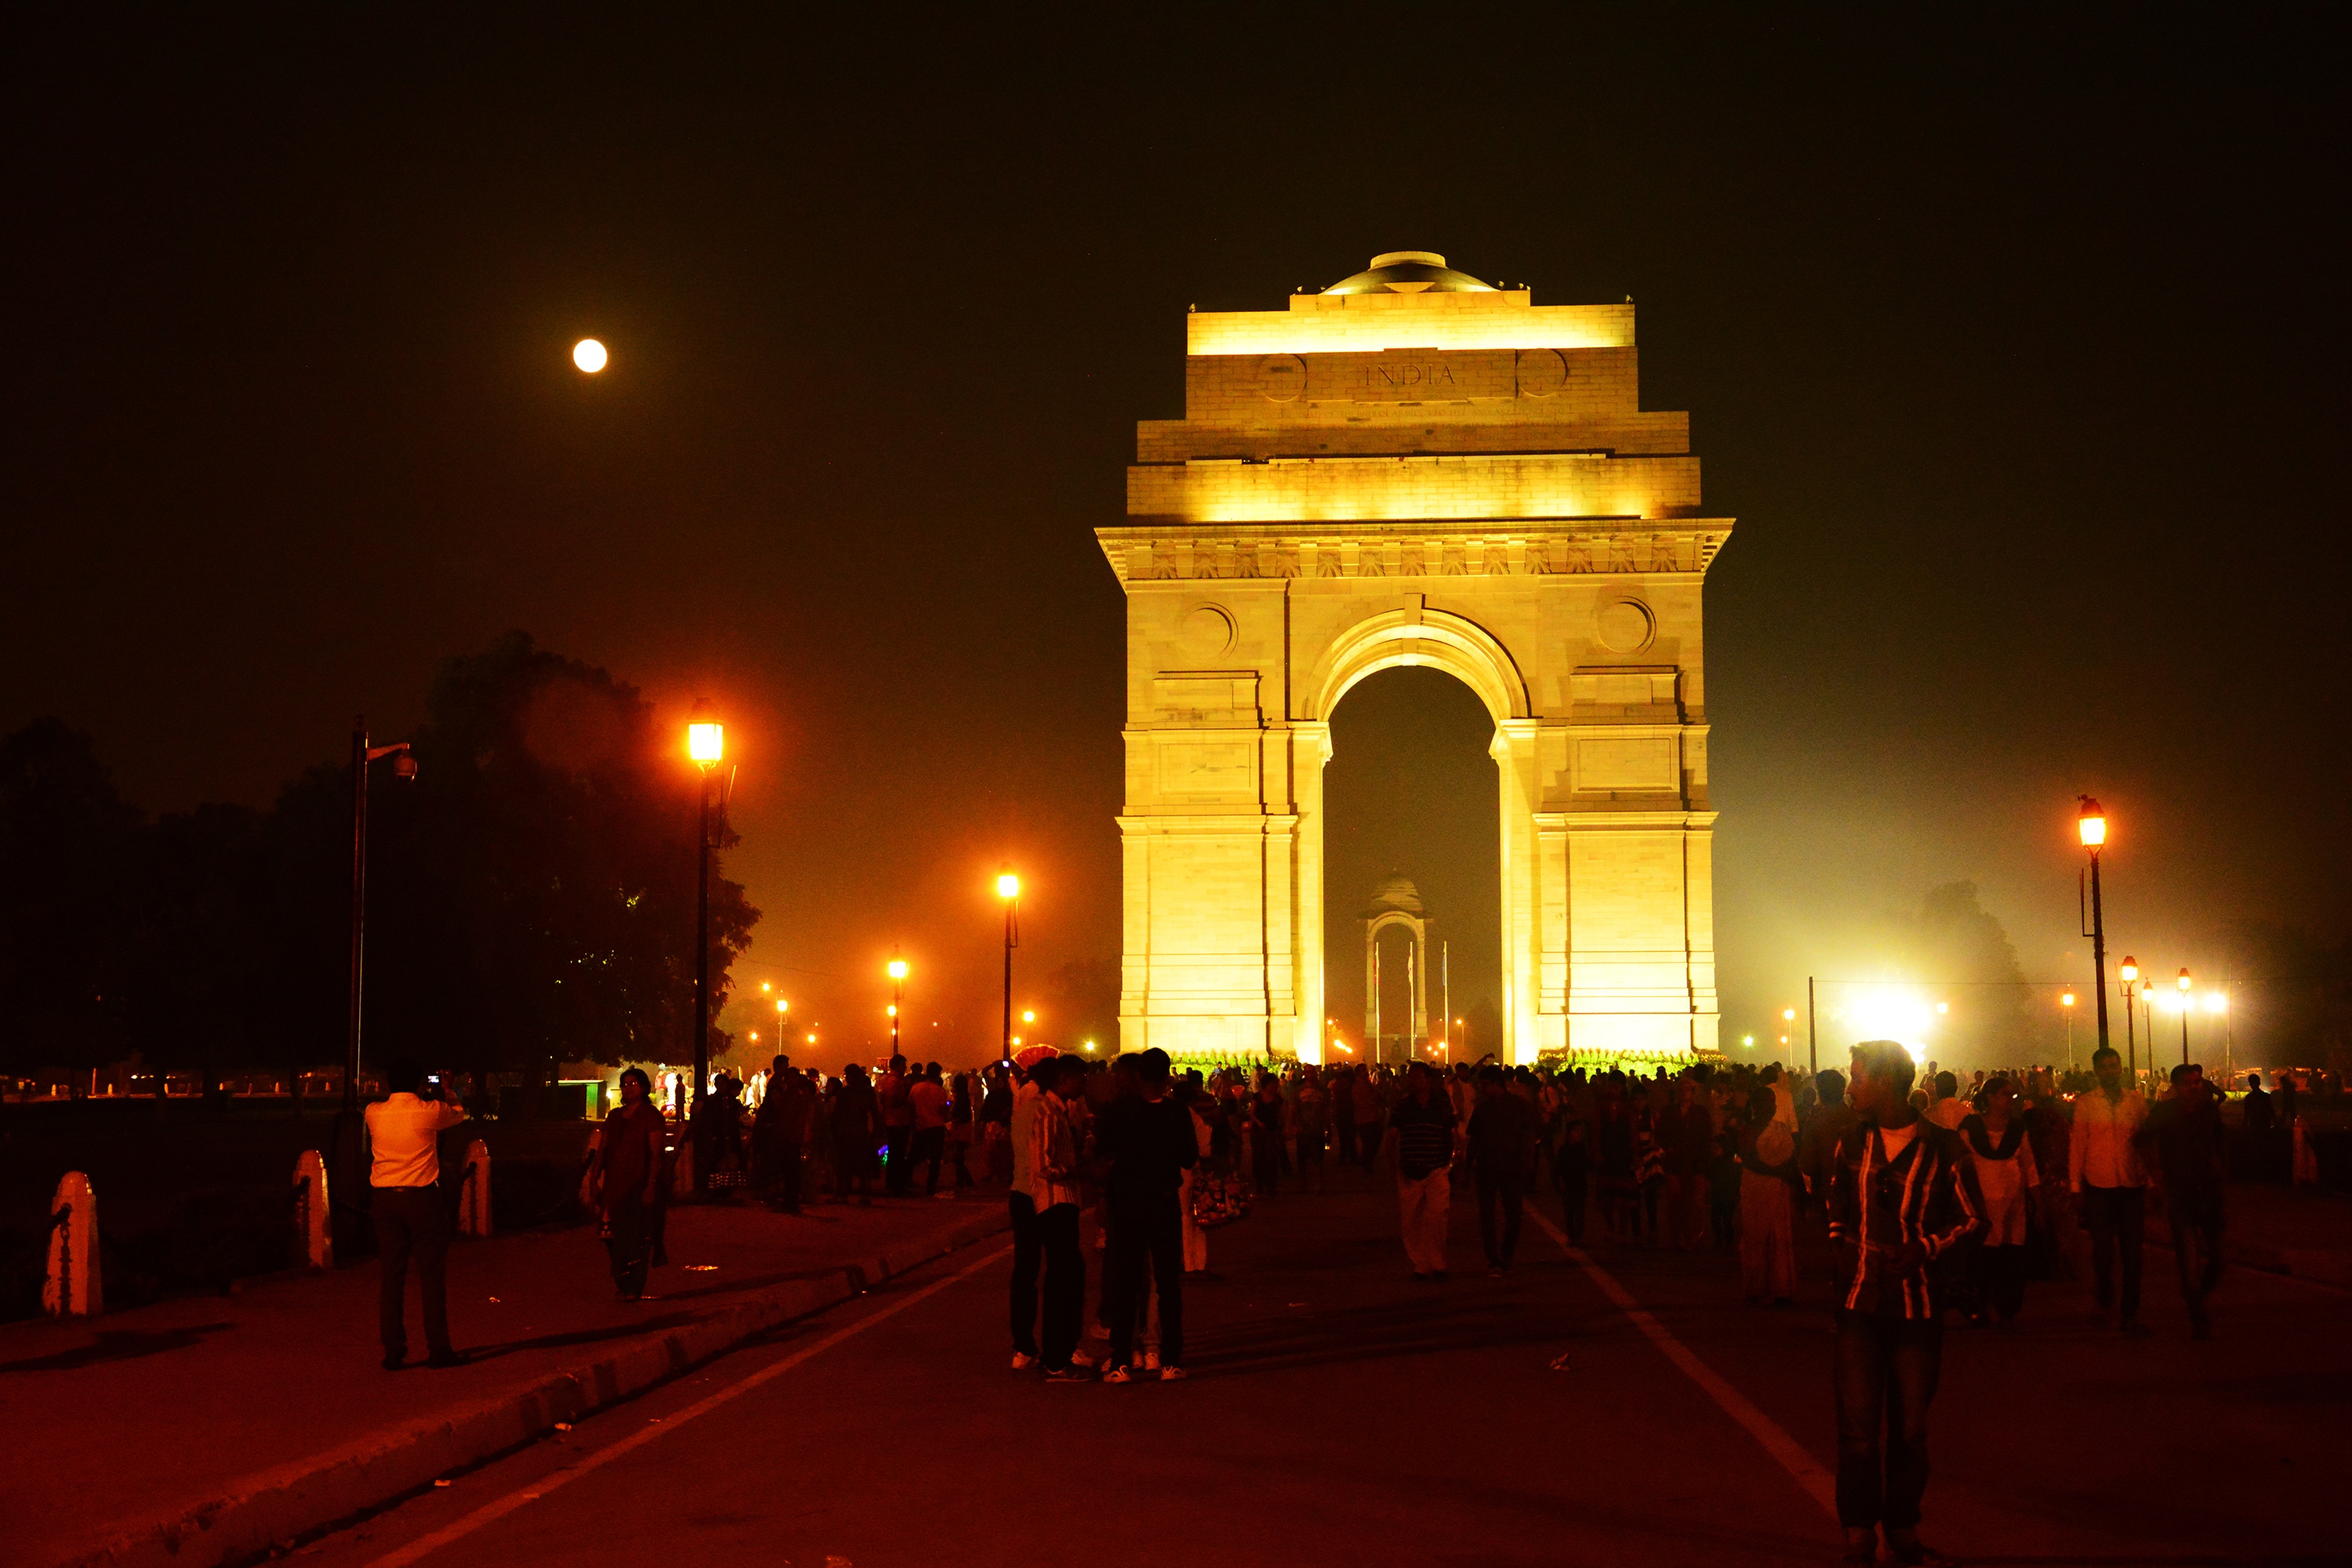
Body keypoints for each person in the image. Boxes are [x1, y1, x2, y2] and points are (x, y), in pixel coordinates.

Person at [1828, 1040, 1981, 1567]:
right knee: (1857, 1430)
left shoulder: (1946, 1150)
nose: (1850, 1088)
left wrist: (1924, 1249)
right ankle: (1858, 1530)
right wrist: (1842, 1253)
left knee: (1910, 1431)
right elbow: (1836, 1204)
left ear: (1887, 1084)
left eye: (1858, 1078)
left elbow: (1972, 1219)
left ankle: (1903, 1525)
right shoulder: (1850, 1143)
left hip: (1917, 1308)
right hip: (1858, 1305)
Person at [1095, 1048, 1199, 1382]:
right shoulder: (1178, 1113)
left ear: (1138, 1075)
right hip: (1163, 1203)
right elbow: (1188, 1157)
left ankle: (1122, 1362)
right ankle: (1170, 1361)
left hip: (1128, 1203)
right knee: (1168, 1284)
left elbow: (1102, 1148)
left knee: (1126, 1283)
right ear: (1168, 1076)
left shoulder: (1121, 1110)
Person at [365, 1056, 470, 1370]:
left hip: (384, 1201)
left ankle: (394, 1350)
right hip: (422, 1199)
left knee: (391, 1278)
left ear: (387, 1083)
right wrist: (448, 1090)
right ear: (419, 1084)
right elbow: (459, 1115)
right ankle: (438, 1349)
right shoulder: (429, 1111)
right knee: (431, 1278)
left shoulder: (373, 1113)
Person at [2142, 1062, 2227, 1338]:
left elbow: (2218, 1144)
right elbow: (2142, 1140)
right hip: (2179, 1193)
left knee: (2219, 1257)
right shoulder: (2165, 1112)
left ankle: (2196, 1294)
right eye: (2189, 1083)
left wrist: (2219, 1170)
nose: (2195, 1086)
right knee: (2188, 1258)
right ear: (2177, 1087)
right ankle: (2197, 1316)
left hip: (2209, 1192)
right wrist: (2154, 1175)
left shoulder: (2207, 1112)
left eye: (2198, 1082)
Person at [2070, 1045, 2151, 1334]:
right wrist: (2075, 1185)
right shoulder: (2087, 1104)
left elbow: (2145, 1143)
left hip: (2131, 1186)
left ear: (2121, 1068)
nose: (2110, 1071)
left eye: (2114, 1065)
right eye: (2103, 1067)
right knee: (2103, 1252)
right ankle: (2104, 1292)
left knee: (2133, 1255)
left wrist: (2150, 1180)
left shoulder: (2135, 1101)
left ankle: (2130, 1313)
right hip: (2099, 1186)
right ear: (2096, 1072)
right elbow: (2078, 1145)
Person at [1958, 1076, 2038, 1327]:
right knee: (1983, 1259)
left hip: (2013, 1207)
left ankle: (2007, 1309)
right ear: (1990, 1097)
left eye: (2013, 1096)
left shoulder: (2016, 1130)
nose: (2011, 1100)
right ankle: (1980, 1305)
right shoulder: (1970, 1129)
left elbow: (2029, 1166)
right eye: (2006, 1095)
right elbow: (1959, 1167)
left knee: (2012, 1259)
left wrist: (2038, 1200)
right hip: (1980, 1207)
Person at [1030, 1055, 1092, 1381]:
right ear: (1065, 1080)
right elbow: (1043, 1164)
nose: (1085, 1085)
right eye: (1081, 1079)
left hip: (1062, 1202)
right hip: (1055, 1203)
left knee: (1066, 1279)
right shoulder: (1049, 1114)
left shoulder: (1056, 1111)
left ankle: (1058, 1354)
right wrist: (1078, 1171)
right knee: (1063, 1282)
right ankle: (1057, 1359)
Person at [593, 1065, 669, 1298]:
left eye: (633, 1084)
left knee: (637, 1236)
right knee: (611, 1235)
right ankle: (622, 1282)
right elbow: (603, 1149)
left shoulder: (650, 1116)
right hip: (614, 1186)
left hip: (638, 1183)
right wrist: (593, 1180)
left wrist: (651, 1185)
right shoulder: (614, 1116)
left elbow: (656, 1154)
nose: (628, 1088)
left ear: (644, 1088)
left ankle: (634, 1287)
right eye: (625, 1084)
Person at [1465, 1065, 1537, 1275]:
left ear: (1497, 1085)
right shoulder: (1483, 1109)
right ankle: (1494, 1257)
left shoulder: (1519, 1107)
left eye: (1485, 1085)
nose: (1481, 1089)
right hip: (1487, 1167)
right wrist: (1467, 1167)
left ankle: (1506, 1253)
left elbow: (1529, 1137)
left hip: (1511, 1167)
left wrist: (1528, 1161)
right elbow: (1474, 1140)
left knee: (1513, 1214)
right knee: (1487, 1216)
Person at [1388, 1062, 1457, 1279]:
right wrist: (1394, 1165)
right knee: (1411, 1221)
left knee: (1437, 1218)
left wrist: (1455, 1157)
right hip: (1409, 1170)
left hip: (1437, 1168)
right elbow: (1392, 1136)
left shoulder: (1441, 1106)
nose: (1412, 1081)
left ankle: (1438, 1264)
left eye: (1417, 1077)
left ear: (1428, 1081)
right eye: (1411, 1077)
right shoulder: (1402, 1106)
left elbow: (1452, 1132)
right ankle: (1421, 1264)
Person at [1737, 1085, 1799, 1305]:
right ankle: (1756, 1287)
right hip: (1756, 1187)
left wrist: (1795, 1183)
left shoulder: (1780, 1129)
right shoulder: (1747, 1131)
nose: (1772, 1106)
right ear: (1756, 1106)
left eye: (1773, 1102)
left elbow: (1792, 1159)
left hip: (1777, 1188)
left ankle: (1780, 1287)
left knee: (1779, 1238)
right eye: (1767, 1101)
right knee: (1756, 1236)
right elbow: (1749, 1160)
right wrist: (1778, 1172)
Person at [751, 1056, 809, 1213]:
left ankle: (791, 1201)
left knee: (791, 1170)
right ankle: (786, 1199)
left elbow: (801, 1118)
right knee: (784, 1169)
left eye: (793, 1078)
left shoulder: (798, 1096)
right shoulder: (782, 1092)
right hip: (782, 1137)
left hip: (791, 1137)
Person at [829, 1063, 880, 1205]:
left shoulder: (846, 1093)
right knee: (863, 1166)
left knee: (844, 1165)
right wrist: (875, 1133)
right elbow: (875, 1113)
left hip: (847, 1132)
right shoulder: (868, 1092)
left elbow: (837, 1115)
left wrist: (834, 1130)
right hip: (861, 1131)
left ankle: (842, 1194)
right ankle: (864, 1196)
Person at [909, 1062, 951, 1196]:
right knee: (935, 1159)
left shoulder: (916, 1088)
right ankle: (931, 1185)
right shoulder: (939, 1091)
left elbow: (910, 1106)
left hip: (920, 1125)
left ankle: (904, 1179)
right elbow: (944, 1111)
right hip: (936, 1127)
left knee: (913, 1156)